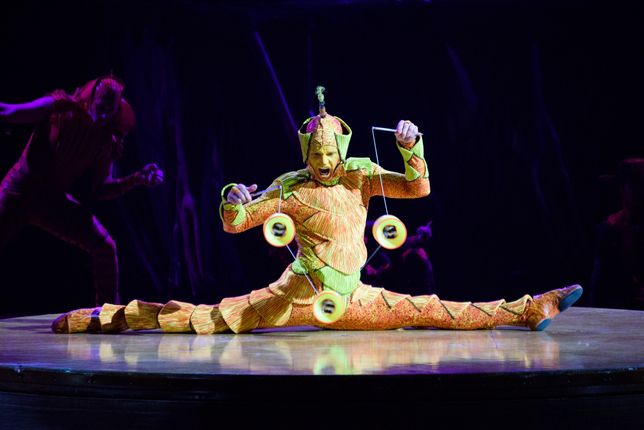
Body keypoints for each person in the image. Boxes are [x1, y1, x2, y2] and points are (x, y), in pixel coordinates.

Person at [51, 95, 581, 334]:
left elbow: (418, 187)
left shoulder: (358, 173)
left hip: (357, 299)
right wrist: (234, 196)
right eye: (316, 157)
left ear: (342, 148)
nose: (325, 165)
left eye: (330, 156)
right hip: (297, 296)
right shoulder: (292, 187)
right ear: (305, 153)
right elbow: (235, 224)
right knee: (208, 319)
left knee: (432, 308)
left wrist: (411, 145)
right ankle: (104, 317)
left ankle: (527, 310)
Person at [0, 76, 164, 306]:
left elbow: (99, 189)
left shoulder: (104, 139)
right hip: (18, 191)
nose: (104, 114)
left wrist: (136, 179)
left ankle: (108, 315)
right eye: (101, 107)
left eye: (110, 110)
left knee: (105, 247)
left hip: (52, 202)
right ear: (91, 100)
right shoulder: (60, 106)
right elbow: (11, 112)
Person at [591, 158, 644, 310]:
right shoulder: (611, 227)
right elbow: (599, 280)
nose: (641, 190)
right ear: (622, 188)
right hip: (620, 306)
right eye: (635, 185)